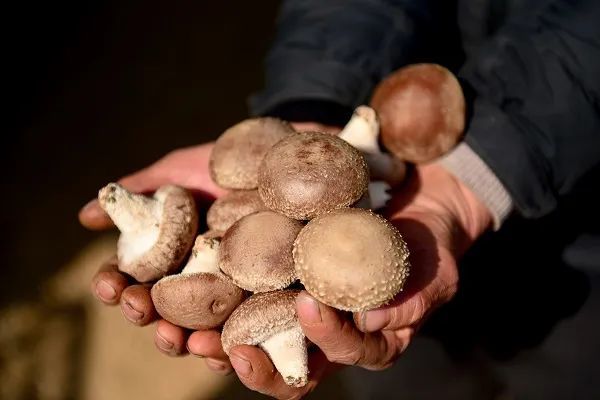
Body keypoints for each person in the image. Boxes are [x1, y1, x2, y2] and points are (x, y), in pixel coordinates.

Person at [79, 0, 600, 398]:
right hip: (377, 273)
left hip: (579, 225)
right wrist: (314, 103)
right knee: (401, 378)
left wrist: (477, 169)